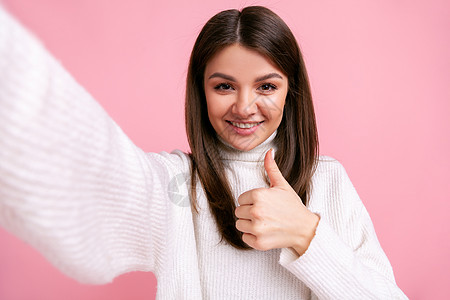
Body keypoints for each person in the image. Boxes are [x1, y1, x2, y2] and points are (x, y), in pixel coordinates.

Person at [0, 4, 408, 299]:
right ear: (201, 92)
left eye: (266, 86)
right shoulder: (177, 186)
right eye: (224, 86)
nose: (244, 106)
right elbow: (89, 169)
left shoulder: (328, 181)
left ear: (291, 92)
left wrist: (306, 234)